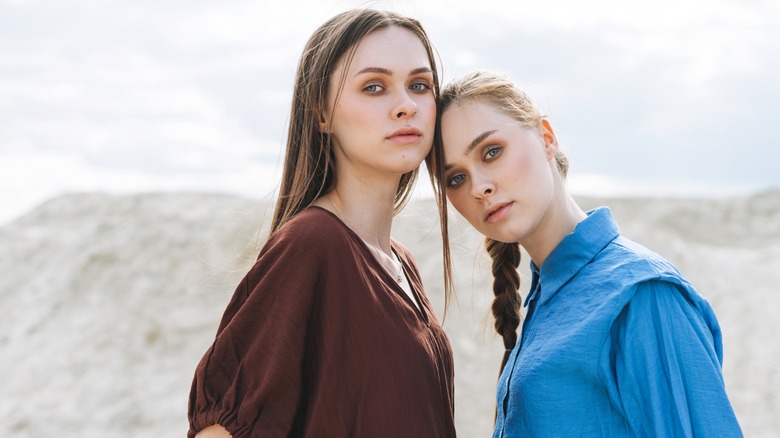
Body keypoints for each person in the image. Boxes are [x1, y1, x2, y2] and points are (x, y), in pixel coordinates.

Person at [427, 70, 742, 437]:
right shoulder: (546, 302)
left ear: (546, 138)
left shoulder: (642, 294)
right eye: (456, 178)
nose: (479, 187)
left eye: (492, 152)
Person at [187, 9, 456, 438]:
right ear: (321, 115)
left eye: (419, 86)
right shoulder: (311, 245)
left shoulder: (401, 264)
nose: (406, 106)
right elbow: (222, 430)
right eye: (374, 87)